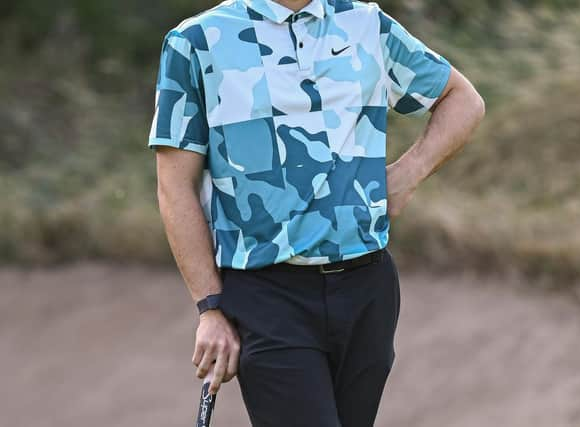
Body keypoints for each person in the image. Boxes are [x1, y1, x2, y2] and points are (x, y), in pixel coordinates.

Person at [149, 0, 484, 425]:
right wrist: (210, 308)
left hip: (368, 287)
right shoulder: (196, 41)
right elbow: (174, 185)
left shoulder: (365, 24)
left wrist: (408, 173)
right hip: (267, 295)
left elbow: (463, 99)